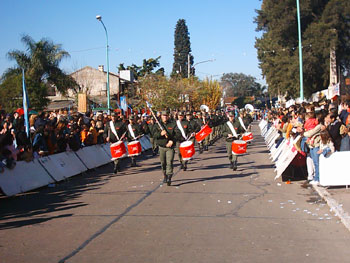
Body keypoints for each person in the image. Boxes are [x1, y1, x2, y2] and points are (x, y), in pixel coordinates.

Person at [153, 110, 179, 186]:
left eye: (166, 116)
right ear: (161, 116)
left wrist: (172, 141)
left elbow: (177, 134)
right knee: (163, 163)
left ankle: (169, 177)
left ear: (168, 116)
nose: (165, 117)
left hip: (170, 147)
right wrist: (160, 134)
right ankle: (165, 174)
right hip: (161, 147)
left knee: (169, 162)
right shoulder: (157, 125)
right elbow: (153, 135)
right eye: (163, 116)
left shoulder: (173, 124)